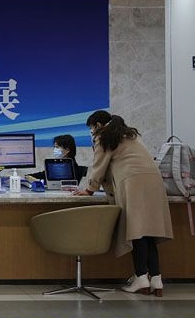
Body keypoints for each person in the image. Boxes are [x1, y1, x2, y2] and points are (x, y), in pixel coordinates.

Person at [73, 110, 173, 296]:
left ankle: (141, 277)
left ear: (97, 125)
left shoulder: (104, 136)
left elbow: (98, 166)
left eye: (91, 128)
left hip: (133, 183)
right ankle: (156, 279)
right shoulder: (130, 134)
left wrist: (89, 189)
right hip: (154, 181)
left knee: (137, 230)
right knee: (149, 232)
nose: (91, 131)